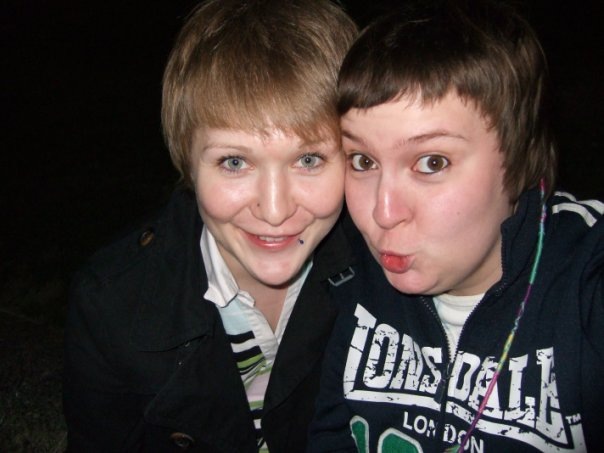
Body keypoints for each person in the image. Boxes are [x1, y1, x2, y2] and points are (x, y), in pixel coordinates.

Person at [308, 0, 604, 451]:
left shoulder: (585, 280)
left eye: (432, 162)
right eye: (363, 161)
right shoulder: (348, 278)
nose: (383, 213)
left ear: (520, 161)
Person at [63, 1, 357, 451]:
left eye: (309, 159)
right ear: (188, 164)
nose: (274, 210)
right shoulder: (111, 305)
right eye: (234, 162)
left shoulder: (387, 275)